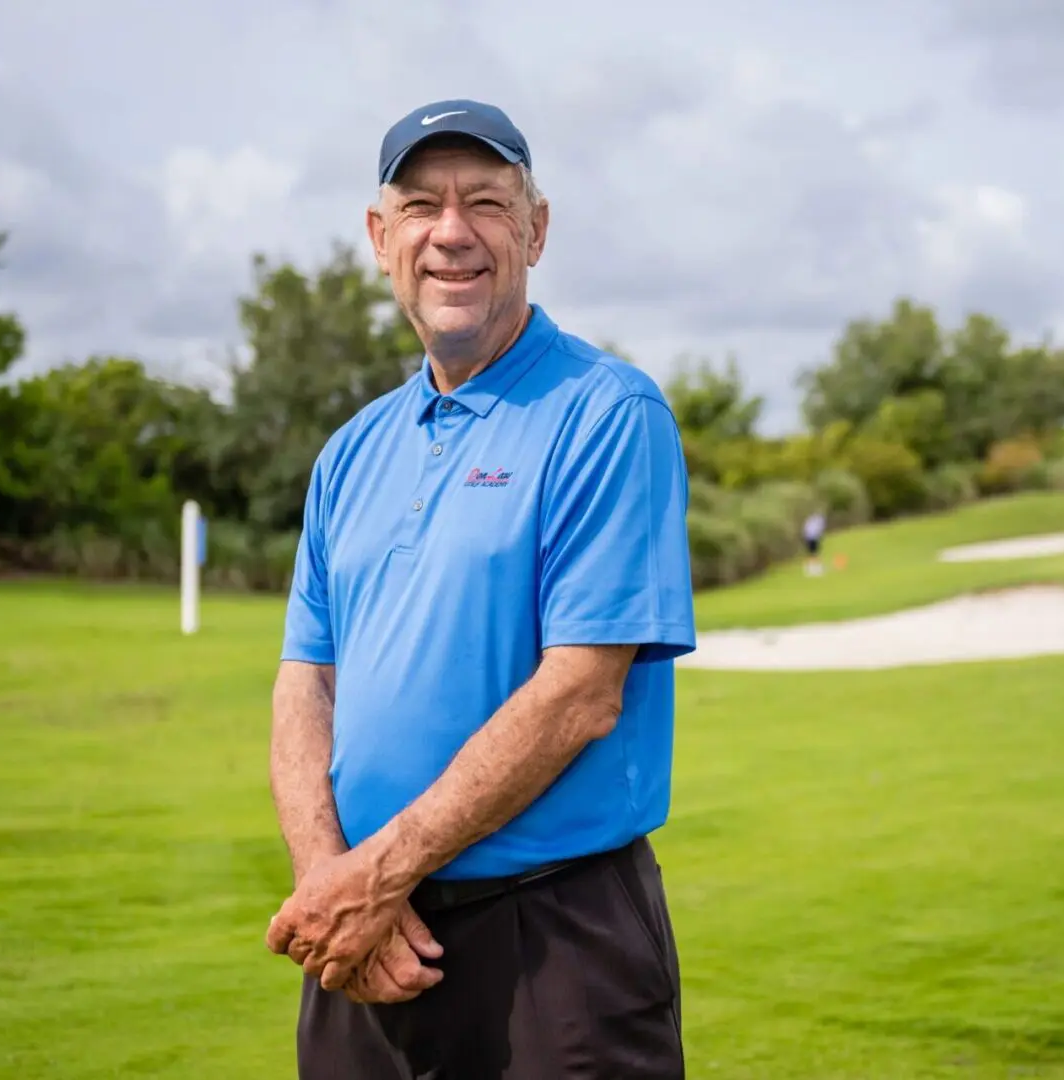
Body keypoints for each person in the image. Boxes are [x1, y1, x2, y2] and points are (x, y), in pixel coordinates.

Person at [262, 98, 697, 1078]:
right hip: (368, 943)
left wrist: (375, 875)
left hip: (554, 945)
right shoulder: (350, 452)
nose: (451, 233)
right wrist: (332, 884)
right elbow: (306, 684)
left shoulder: (606, 414)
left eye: (486, 203)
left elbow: (582, 692)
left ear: (536, 230)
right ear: (381, 239)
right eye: (421, 206)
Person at [802, 509, 827, 576]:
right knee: (814, 553)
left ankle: (811, 568)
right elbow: (820, 529)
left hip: (808, 537)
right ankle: (814, 568)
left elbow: (805, 529)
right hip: (813, 537)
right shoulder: (819, 520)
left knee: (812, 553)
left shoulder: (810, 519)